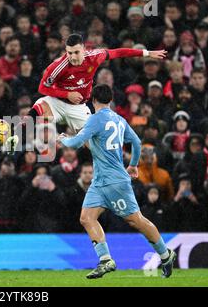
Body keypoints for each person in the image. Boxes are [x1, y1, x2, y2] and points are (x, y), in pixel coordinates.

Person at [57, 84, 176, 279]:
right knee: (87, 217)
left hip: (114, 181)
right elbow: (137, 142)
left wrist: (63, 139)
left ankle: (166, 254)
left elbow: (75, 143)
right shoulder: (120, 120)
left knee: (135, 220)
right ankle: (105, 260)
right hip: (100, 181)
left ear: (93, 100)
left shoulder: (95, 119)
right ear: (110, 100)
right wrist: (134, 165)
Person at [6, 33, 166, 151]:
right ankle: (14, 137)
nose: (73, 57)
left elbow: (118, 52)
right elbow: (42, 88)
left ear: (83, 49)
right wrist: (67, 94)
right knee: (39, 106)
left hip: (79, 108)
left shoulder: (95, 57)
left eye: (76, 52)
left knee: (96, 145)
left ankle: (117, 169)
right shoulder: (57, 67)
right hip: (58, 103)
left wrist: (146, 53)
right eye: (69, 53)